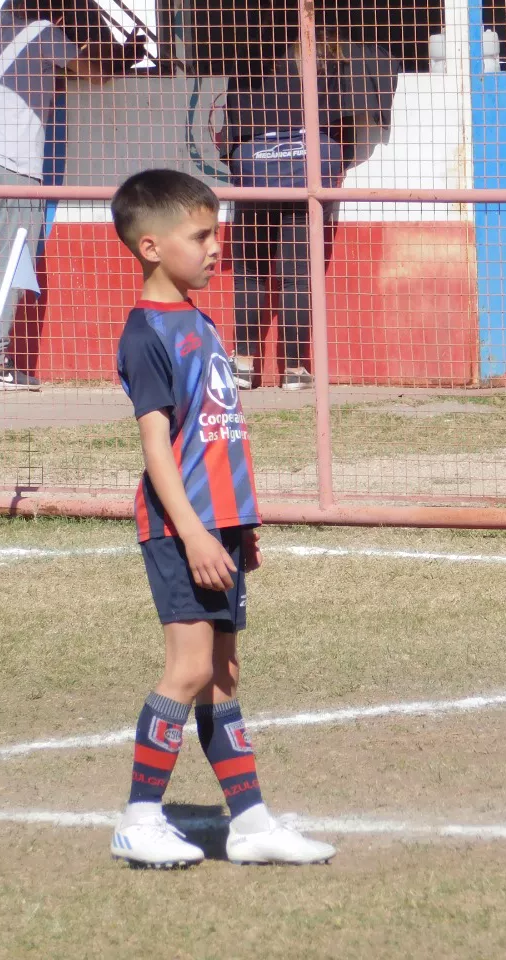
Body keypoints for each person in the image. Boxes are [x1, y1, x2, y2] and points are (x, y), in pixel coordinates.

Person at [108, 168, 336, 868]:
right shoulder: (146, 333)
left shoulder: (201, 322)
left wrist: (238, 523)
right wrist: (198, 531)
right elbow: (158, 449)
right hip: (182, 530)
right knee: (188, 668)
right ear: (151, 246)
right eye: (199, 234)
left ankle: (250, 823)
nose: (215, 246)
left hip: (220, 527)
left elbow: (217, 431)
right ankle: (140, 817)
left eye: (215, 232)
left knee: (223, 674)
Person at [0, 0, 144, 390]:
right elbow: (96, 73)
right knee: (14, 263)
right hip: (17, 165)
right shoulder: (42, 32)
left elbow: (49, 77)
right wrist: (126, 56)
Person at [218, 37, 351, 391]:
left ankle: (244, 364)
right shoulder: (329, 60)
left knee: (250, 272)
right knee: (296, 276)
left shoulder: (247, 56)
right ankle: (295, 370)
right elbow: (345, 126)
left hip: (255, 167)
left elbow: (230, 129)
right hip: (307, 165)